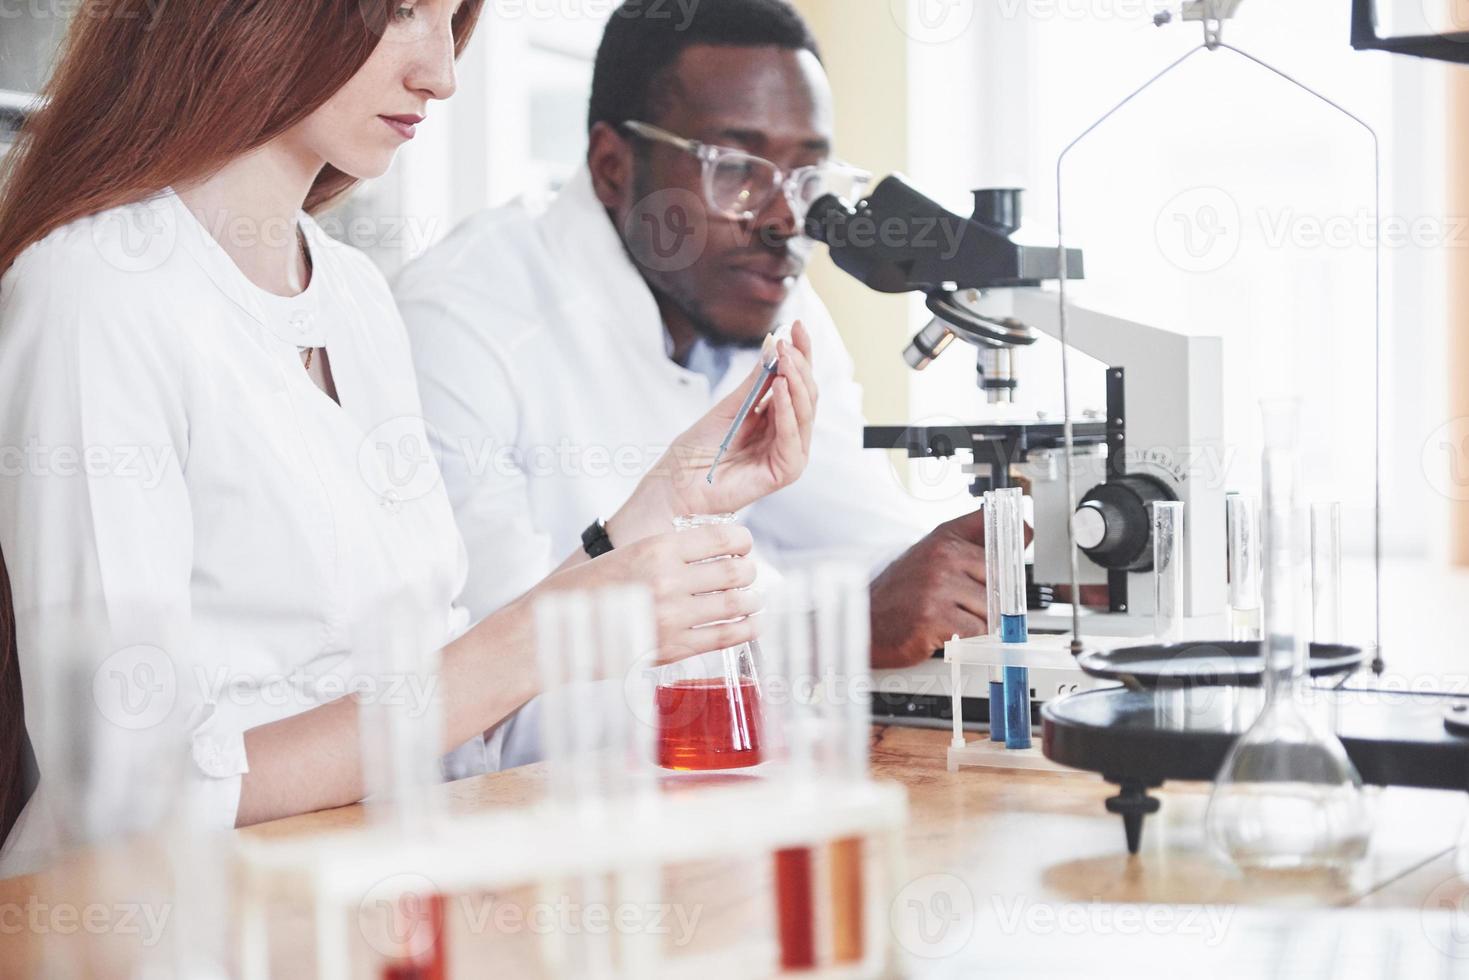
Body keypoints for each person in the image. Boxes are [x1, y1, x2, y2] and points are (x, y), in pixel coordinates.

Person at [0, 0, 817, 876]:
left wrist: (655, 511)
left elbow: (427, 701)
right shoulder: (99, 292)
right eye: (398, 12)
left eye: (449, 19)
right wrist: (535, 640)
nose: (442, 72)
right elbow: (124, 796)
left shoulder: (351, 294)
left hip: (376, 902)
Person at [396, 0, 993, 692]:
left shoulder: (768, 302)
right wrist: (836, 632)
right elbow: (498, 692)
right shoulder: (457, 324)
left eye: (806, 178)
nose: (783, 220)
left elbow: (864, 552)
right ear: (612, 165)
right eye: (736, 170)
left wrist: (973, 577)